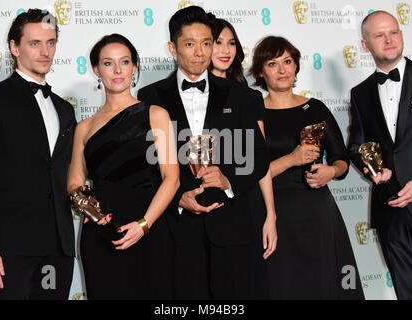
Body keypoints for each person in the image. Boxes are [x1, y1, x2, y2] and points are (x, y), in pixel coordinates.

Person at [138, 6, 270, 299]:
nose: (199, 52)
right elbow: (145, 163)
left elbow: (260, 156)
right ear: (172, 48)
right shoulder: (148, 98)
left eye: (206, 43)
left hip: (235, 228)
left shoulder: (242, 96)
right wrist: (178, 196)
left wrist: (228, 179)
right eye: (189, 44)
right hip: (177, 230)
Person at [249, 36, 364, 299]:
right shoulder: (254, 113)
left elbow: (341, 159)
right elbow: (251, 173)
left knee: (325, 283)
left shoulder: (316, 108)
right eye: (272, 63)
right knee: (281, 283)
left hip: (317, 211)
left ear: (297, 66)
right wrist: (292, 158)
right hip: (273, 213)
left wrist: (330, 172)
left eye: (287, 61)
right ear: (260, 71)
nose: (282, 70)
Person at [67, 33, 179, 299]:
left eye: (125, 62)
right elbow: (74, 182)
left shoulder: (155, 114)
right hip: (101, 233)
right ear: (96, 69)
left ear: (134, 67)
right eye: (108, 63)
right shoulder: (84, 128)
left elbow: (171, 178)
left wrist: (144, 224)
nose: (117, 70)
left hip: (150, 229)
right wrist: (93, 212)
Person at [0, 9, 76, 299]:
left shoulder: (64, 109)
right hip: (8, 249)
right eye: (35, 43)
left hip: (58, 249)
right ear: (14, 47)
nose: (45, 51)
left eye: (51, 42)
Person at [347, 10, 412, 300]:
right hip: (390, 209)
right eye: (379, 35)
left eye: (393, 32)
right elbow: (356, 146)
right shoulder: (360, 93)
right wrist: (372, 170)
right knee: (408, 293)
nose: (389, 39)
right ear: (365, 45)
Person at [209, 18, 277, 260]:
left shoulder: (249, 97)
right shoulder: (187, 97)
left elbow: (261, 159)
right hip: (203, 205)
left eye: (231, 43)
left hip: (245, 202)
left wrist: (270, 214)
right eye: (217, 42)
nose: (225, 50)